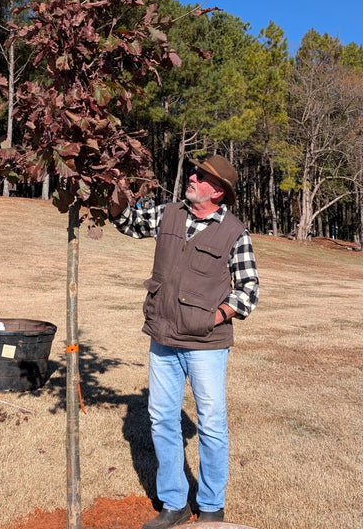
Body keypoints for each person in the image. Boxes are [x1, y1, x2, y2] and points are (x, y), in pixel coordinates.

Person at [109, 155, 260, 528]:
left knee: (210, 424)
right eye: (195, 172)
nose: (192, 177)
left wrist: (214, 317)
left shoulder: (234, 233)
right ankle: (174, 504)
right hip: (163, 338)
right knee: (161, 419)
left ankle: (211, 507)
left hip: (207, 345)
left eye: (202, 176)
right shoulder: (169, 213)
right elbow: (129, 222)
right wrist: (113, 194)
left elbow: (249, 289)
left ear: (218, 191)